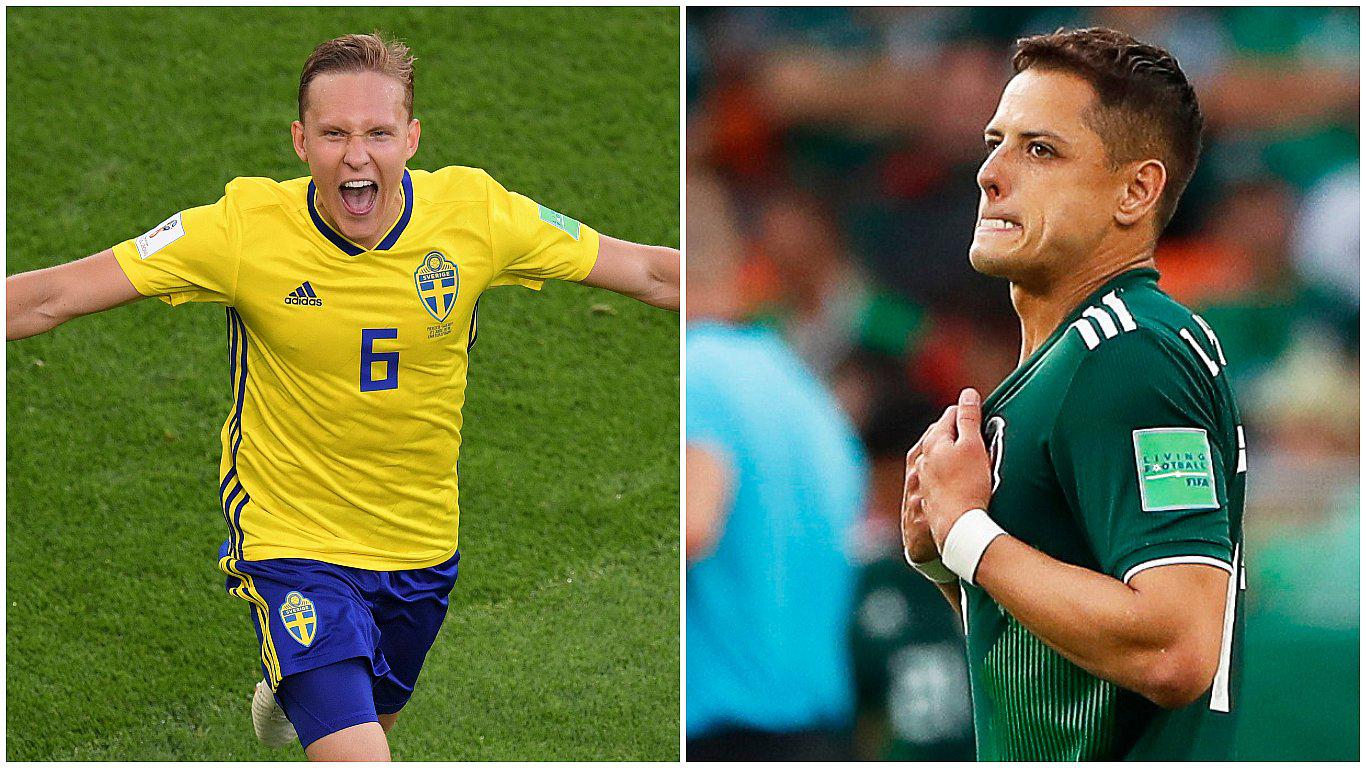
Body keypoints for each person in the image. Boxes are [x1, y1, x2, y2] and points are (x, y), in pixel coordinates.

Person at [6, 33, 679, 762]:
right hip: (293, 543)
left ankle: (297, 687)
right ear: (300, 141)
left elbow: (650, 273)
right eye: (333, 134)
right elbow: (52, 296)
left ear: (411, 139)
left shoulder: (477, 216)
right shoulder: (241, 231)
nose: (356, 156)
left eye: (378, 133)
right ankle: (306, 671)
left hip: (419, 548)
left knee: (367, 728)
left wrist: (753, 285)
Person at [900, 28, 1245, 759]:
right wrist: (945, 557)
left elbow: (1177, 649)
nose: (990, 174)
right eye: (995, 142)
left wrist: (967, 532)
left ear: (1136, 191)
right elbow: (1054, 673)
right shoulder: (1073, 361)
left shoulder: (1129, 353)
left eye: (1040, 150)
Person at [685, 171, 866, 761]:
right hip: (818, 735)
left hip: (721, 738)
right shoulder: (808, 393)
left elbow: (693, 525)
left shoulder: (696, 372)